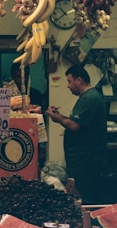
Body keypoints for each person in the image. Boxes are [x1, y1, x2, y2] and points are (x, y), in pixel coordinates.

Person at [45, 65, 107, 203]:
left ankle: (88, 222)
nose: (68, 86)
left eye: (69, 81)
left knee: (85, 197)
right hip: (82, 159)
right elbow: (76, 121)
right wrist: (59, 115)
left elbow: (74, 125)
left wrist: (56, 118)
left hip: (86, 160)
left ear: (79, 80)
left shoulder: (90, 98)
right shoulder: (87, 97)